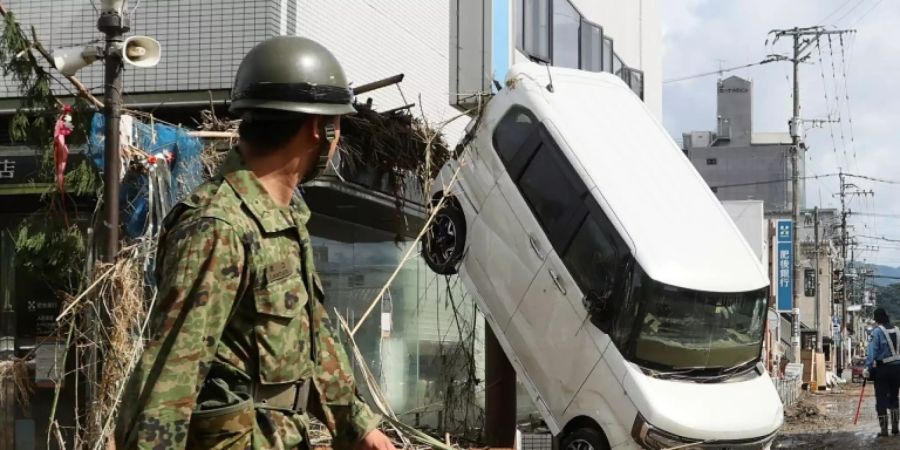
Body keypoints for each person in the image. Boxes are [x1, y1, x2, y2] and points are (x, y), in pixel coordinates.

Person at [114, 36, 397, 450]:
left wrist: (358, 426)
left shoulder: (284, 219)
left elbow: (313, 339)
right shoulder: (219, 225)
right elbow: (171, 372)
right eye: (337, 125)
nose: (337, 140)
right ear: (318, 129)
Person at [864, 307, 900, 437]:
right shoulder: (897, 330)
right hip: (897, 369)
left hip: (883, 369)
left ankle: (884, 430)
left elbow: (872, 352)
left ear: (877, 319)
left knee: (881, 399)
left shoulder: (877, 332)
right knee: (894, 397)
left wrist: (868, 367)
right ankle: (895, 428)